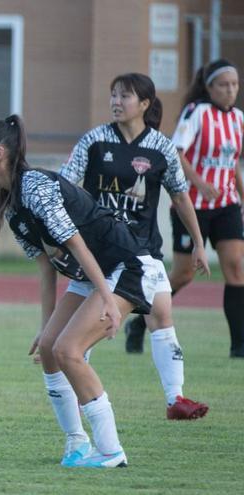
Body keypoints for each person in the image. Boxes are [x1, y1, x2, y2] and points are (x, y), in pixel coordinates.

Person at [0, 114, 169, 468]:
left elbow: (77, 245)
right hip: (97, 272)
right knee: (49, 347)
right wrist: (45, 326)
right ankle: (76, 443)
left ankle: (111, 451)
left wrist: (108, 300)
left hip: (129, 265)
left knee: (69, 350)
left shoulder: (36, 187)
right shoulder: (12, 206)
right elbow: (47, 267)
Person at [60, 73, 210, 420]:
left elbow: (180, 196)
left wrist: (199, 243)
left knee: (162, 317)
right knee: (82, 330)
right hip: (99, 252)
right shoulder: (95, 141)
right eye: (113, 95)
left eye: (124, 96)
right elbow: (67, 183)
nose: (116, 102)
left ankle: (176, 400)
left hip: (144, 252)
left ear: (144, 104)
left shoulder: (161, 148)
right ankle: (79, 395)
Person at [125, 60, 244, 358]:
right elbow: (176, 154)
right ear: (209, 87)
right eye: (224, 85)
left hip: (226, 205)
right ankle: (140, 322)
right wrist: (200, 183)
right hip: (192, 206)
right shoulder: (197, 113)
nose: (230, 90)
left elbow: (233, 166)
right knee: (184, 274)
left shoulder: (239, 119)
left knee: (236, 269)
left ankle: (239, 346)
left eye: (235, 85)